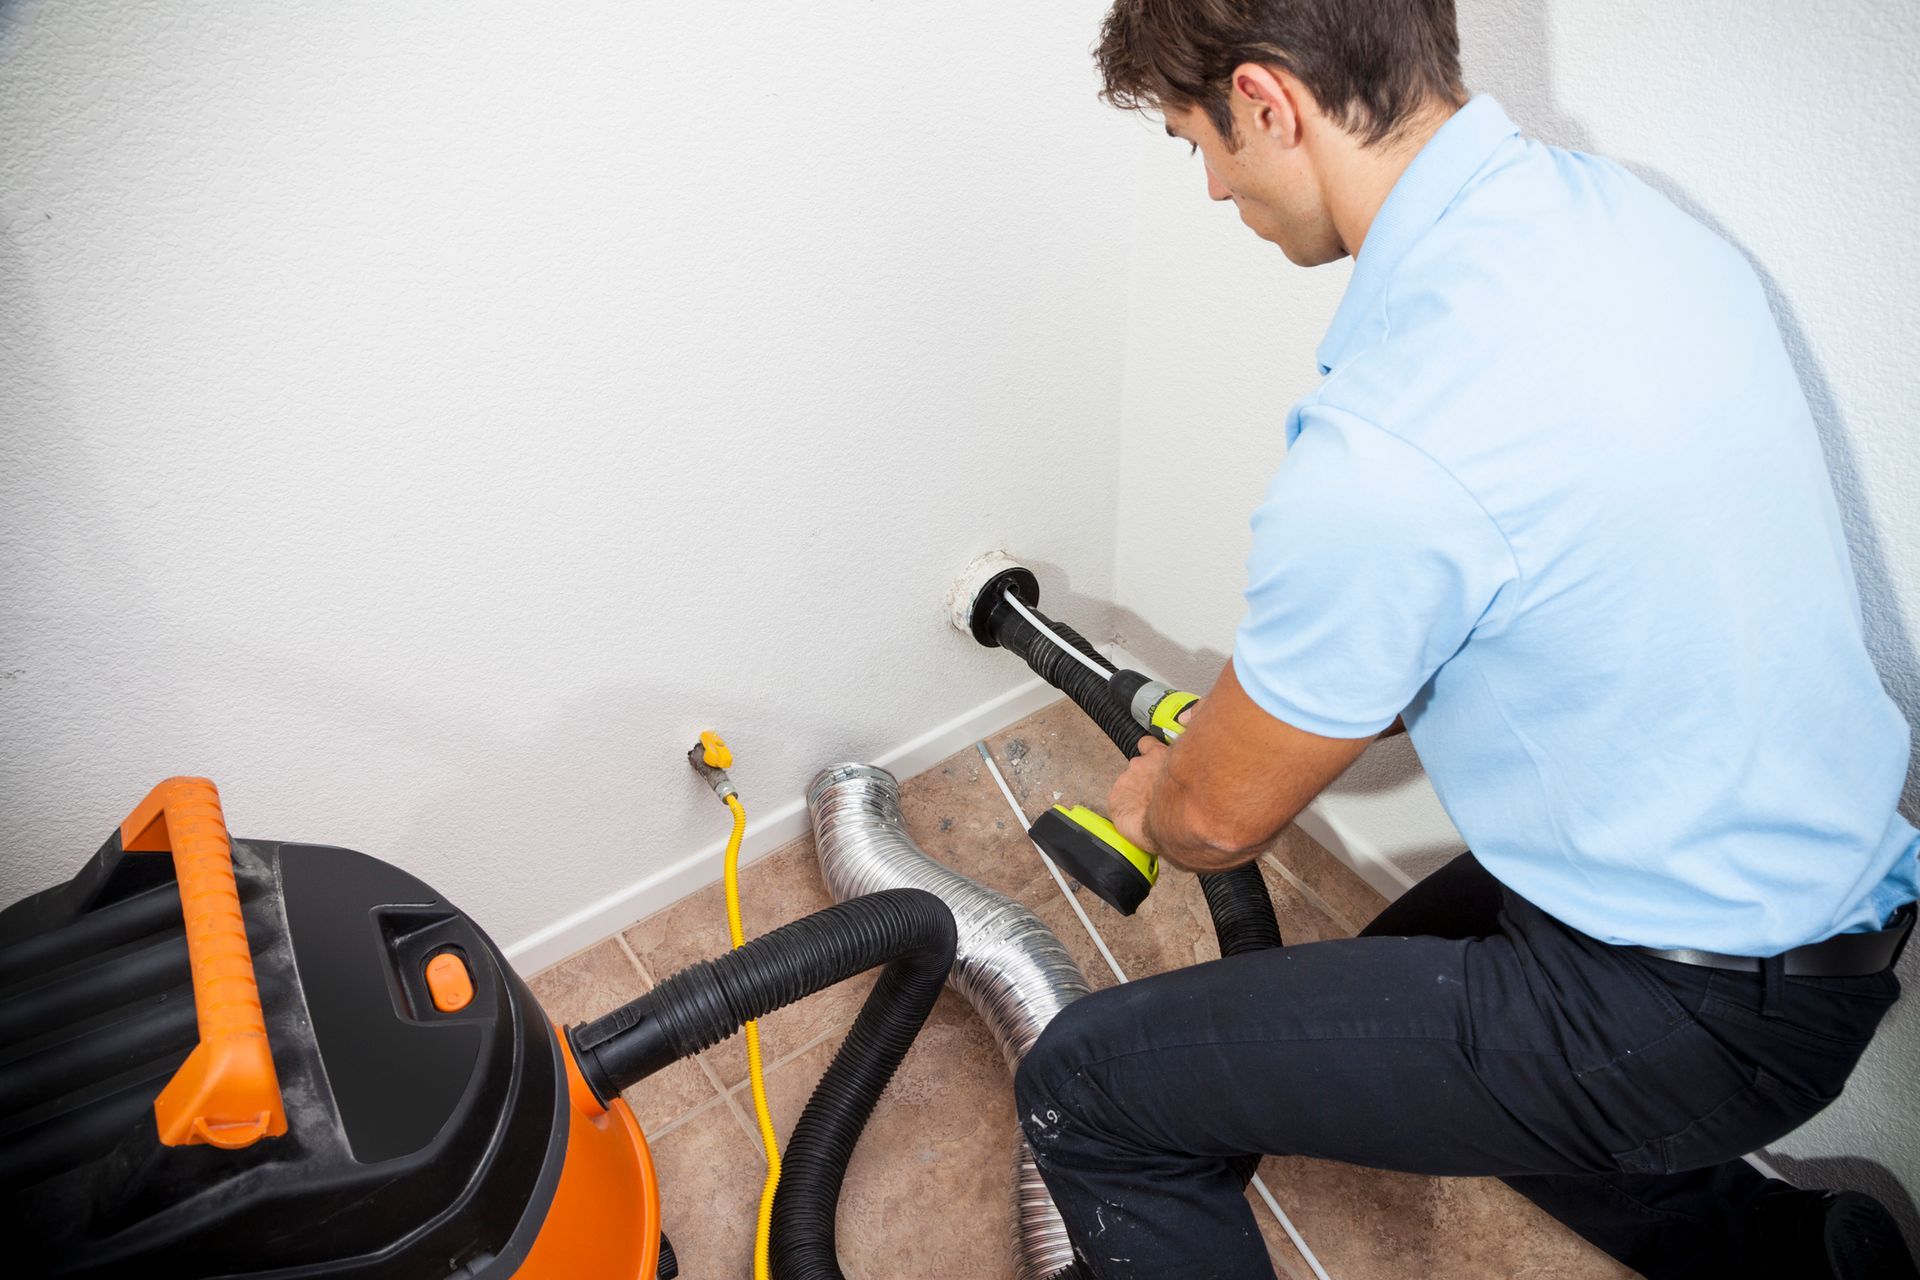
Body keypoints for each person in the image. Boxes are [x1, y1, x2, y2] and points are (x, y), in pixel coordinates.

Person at [1012, 3, 1920, 1278]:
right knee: (1384, 1005)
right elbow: (1476, 604)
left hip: (1698, 1003)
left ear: (1269, 102)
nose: (1215, 188)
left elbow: (1218, 824)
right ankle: (1809, 1260)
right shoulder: (1622, 225)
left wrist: (1164, 790)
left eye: (1199, 143)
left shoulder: (1395, 435)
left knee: (1093, 1083)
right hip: (1811, 900)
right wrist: (1257, 716)